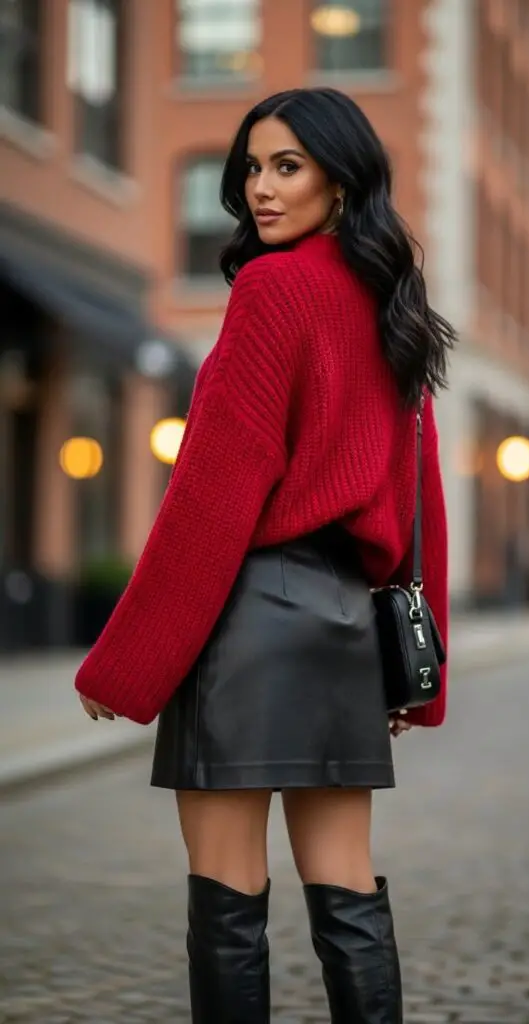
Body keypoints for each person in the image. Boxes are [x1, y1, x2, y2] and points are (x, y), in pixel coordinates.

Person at [75, 87, 454, 1024]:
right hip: (342, 630)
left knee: (228, 898)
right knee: (348, 889)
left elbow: (213, 493)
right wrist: (420, 675)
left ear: (342, 177)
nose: (258, 190)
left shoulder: (271, 291)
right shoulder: (390, 307)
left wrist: (129, 661)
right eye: (250, 167)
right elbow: (421, 502)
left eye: (287, 166)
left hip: (246, 625)